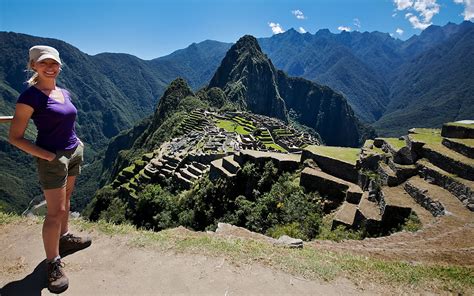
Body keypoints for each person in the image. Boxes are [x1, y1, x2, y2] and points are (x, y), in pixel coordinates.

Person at [9, 45, 91, 294]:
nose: (50, 67)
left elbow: (67, 121)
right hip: (52, 159)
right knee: (55, 212)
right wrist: (45, 154)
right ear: (33, 65)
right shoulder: (30, 97)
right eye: (44, 63)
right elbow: (16, 136)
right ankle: (53, 263)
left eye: (54, 63)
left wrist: (77, 143)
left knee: (66, 200)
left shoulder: (63, 92)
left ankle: (64, 237)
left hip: (74, 152)